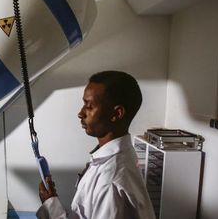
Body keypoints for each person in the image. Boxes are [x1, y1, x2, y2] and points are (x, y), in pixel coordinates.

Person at [36, 71, 156, 219]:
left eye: (89, 106)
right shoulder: (116, 158)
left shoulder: (111, 182)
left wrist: (51, 207)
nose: (80, 113)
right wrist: (51, 202)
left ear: (117, 114)